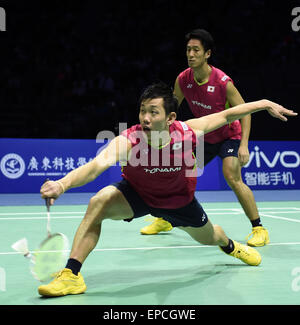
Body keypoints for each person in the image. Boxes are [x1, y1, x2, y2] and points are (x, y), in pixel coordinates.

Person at [38, 82, 296, 297]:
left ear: (171, 118)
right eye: (142, 111)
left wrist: (264, 103)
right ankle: (72, 274)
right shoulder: (130, 139)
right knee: (99, 202)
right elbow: (97, 165)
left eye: (153, 112)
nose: (146, 118)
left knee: (210, 237)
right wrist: (63, 184)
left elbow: (228, 115)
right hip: (137, 195)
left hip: (179, 202)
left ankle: (230, 246)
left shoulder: (189, 131)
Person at [140, 29, 267, 247]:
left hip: (229, 135)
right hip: (204, 137)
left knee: (232, 176)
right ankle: (165, 219)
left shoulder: (222, 82)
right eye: (188, 49)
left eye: (196, 50)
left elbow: (244, 111)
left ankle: (258, 228)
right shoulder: (183, 79)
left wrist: (244, 144)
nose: (191, 54)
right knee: (176, 172)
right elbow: (172, 108)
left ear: (207, 54)